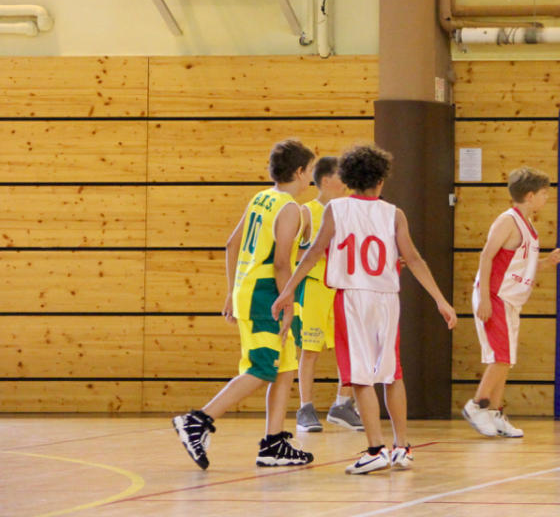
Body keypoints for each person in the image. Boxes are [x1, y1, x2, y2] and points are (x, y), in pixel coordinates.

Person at [273, 143, 457, 474]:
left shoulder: (336, 209)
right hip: (387, 299)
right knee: (392, 374)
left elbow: (313, 253)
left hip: (352, 298)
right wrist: (440, 299)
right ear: (381, 179)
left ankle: (375, 449)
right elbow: (414, 259)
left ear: (347, 179)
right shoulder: (394, 213)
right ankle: (402, 447)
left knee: (359, 376)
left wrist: (288, 291)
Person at [171, 139, 316, 470]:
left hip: (250, 289)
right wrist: (288, 304)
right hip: (267, 293)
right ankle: (198, 420)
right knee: (262, 368)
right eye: (309, 170)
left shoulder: (261, 198)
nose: (311, 177)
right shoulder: (289, 208)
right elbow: (282, 263)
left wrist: (231, 290)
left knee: (284, 368)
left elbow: (231, 244)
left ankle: (274, 444)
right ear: (299, 171)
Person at [462, 167, 560, 438]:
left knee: (506, 360)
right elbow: (486, 257)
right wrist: (485, 298)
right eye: (544, 194)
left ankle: (495, 412)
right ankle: (477, 405)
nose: (547, 198)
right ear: (530, 196)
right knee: (501, 357)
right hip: (495, 295)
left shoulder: (529, 226)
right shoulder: (507, 221)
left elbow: (520, 265)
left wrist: (546, 263)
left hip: (510, 299)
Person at [292, 156, 363, 433]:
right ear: (325, 180)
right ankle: (305, 408)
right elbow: (292, 252)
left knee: (350, 348)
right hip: (314, 289)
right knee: (310, 350)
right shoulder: (307, 212)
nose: (345, 182)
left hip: (342, 288)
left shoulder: (348, 211)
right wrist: (318, 252)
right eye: (340, 176)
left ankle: (342, 405)